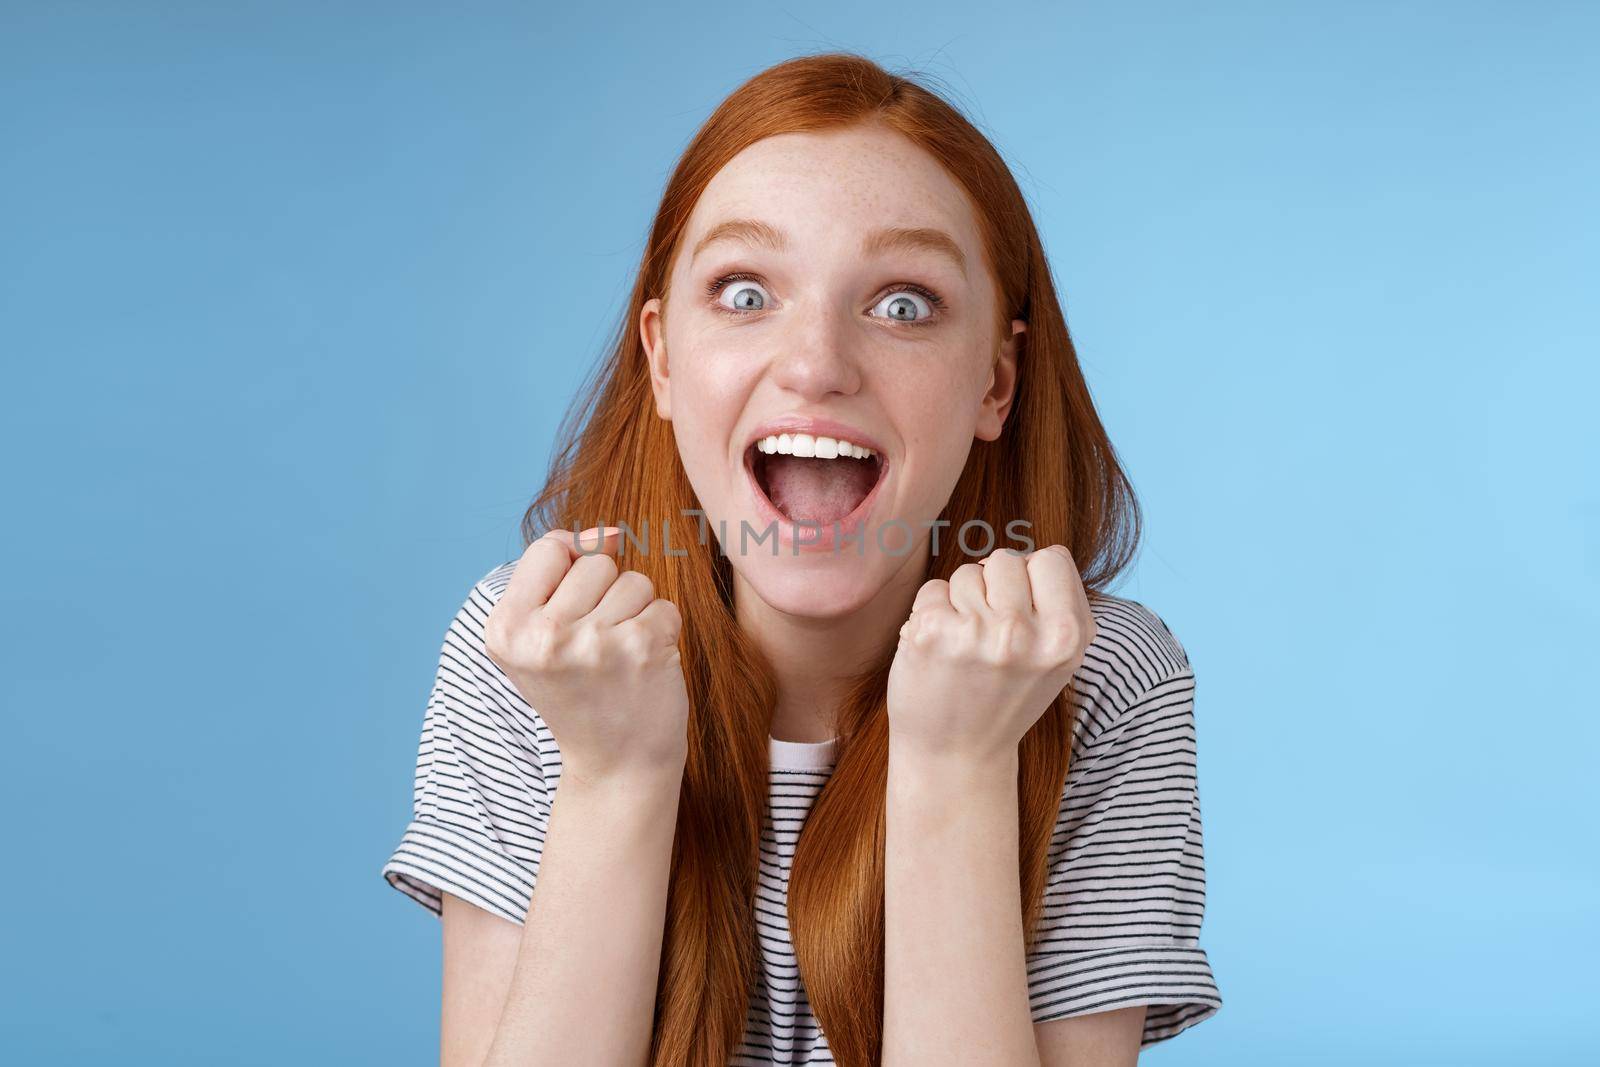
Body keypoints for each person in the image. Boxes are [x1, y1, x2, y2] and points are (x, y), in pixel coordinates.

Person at [382, 51, 1222, 1067]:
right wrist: (614, 773)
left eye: (903, 302)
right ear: (661, 359)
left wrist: (956, 765)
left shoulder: (1097, 680)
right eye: (744, 292)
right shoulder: (530, 651)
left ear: (995, 384)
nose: (817, 363)